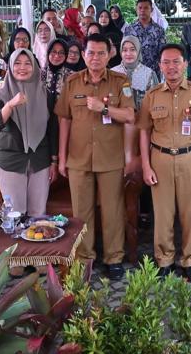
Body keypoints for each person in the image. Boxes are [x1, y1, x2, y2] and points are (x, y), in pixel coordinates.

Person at [55, 34, 135, 280]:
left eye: (101, 53)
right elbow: (64, 120)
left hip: (110, 156)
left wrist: (106, 109)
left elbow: (130, 115)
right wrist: (61, 157)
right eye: (91, 53)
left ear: (110, 54)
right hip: (78, 157)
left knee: (112, 209)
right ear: (83, 54)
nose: (95, 58)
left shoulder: (121, 82)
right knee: (82, 212)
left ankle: (114, 258)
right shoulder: (72, 82)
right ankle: (84, 259)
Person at [139, 43, 191, 280]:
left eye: (176, 62)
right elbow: (143, 131)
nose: (171, 67)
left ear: (185, 64)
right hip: (160, 158)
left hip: (190, 158)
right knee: (162, 213)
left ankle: (190, 260)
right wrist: (145, 165)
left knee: (190, 212)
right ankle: (164, 260)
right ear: (160, 65)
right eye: (166, 62)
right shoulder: (152, 95)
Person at [0, 48, 57, 217]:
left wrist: (54, 160)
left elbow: (52, 130)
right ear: (10, 67)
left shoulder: (46, 95)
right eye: (17, 63)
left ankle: (36, 245)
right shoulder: (1, 94)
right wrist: (10, 105)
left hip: (39, 160)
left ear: (35, 67)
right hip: (10, 161)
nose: (22, 67)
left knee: (37, 214)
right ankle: (15, 244)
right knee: (14, 214)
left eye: (28, 63)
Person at [122, 0, 165, 73]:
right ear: (136, 9)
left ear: (151, 10)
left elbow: (162, 52)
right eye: (140, 8)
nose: (142, 10)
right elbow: (124, 51)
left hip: (153, 71)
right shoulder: (129, 29)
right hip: (134, 71)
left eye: (146, 8)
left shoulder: (159, 30)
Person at [116, 35, 158, 109]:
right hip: (117, 119)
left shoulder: (149, 74)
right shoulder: (113, 73)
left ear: (138, 51)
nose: (128, 54)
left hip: (143, 119)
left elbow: (155, 103)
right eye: (125, 50)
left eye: (132, 49)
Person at [42, 39, 71, 106]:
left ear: (66, 55)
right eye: (53, 51)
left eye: (61, 52)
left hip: (64, 115)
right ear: (48, 53)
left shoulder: (72, 76)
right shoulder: (40, 74)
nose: (57, 56)